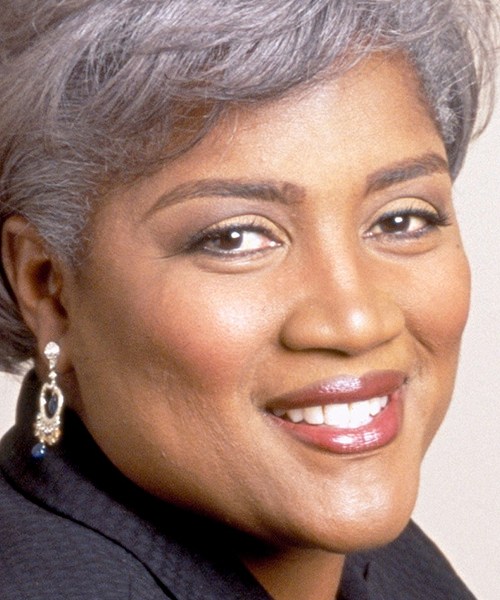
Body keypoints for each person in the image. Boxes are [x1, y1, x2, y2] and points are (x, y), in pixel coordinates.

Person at [0, 1, 497, 598]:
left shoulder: (399, 573)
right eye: (235, 238)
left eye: (401, 220)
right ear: (48, 287)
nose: (357, 321)